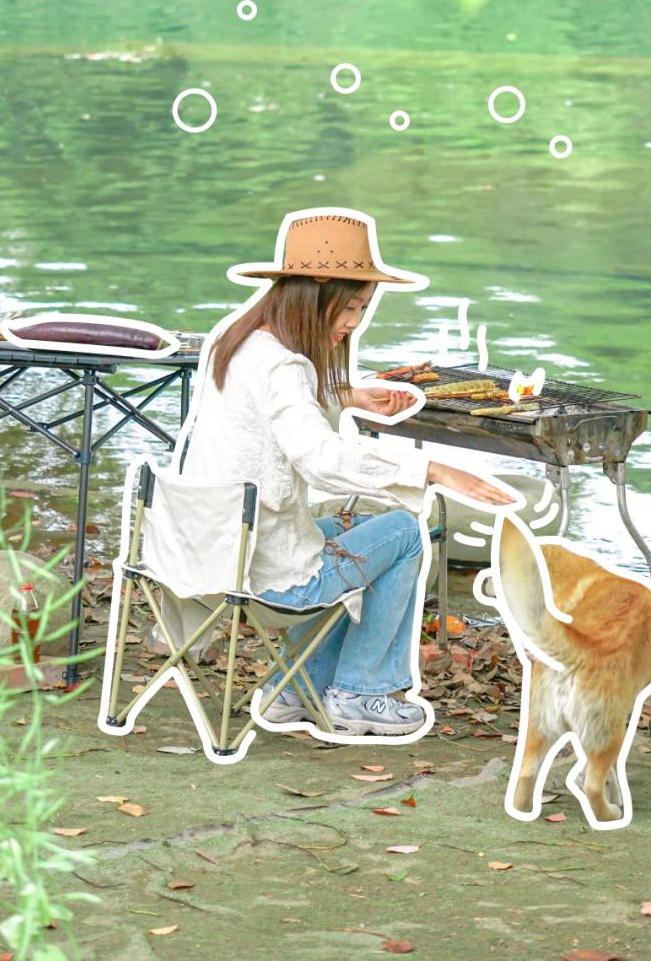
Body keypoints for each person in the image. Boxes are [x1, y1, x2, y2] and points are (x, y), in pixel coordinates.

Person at [174, 210, 516, 739]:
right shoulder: (285, 365)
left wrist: (347, 396)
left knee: (341, 531)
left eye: (362, 308)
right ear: (312, 296)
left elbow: (271, 415)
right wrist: (432, 470)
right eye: (350, 306)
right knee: (403, 533)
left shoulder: (238, 342)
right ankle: (361, 693)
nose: (354, 322)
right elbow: (321, 458)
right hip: (258, 576)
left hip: (211, 551)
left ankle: (297, 687)